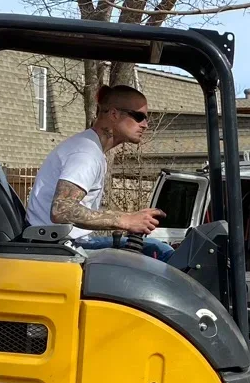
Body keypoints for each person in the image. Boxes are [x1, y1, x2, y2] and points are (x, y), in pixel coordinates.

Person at [26, 84, 174, 260]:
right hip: (57, 248)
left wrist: (127, 218)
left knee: (155, 248)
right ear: (114, 114)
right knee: (161, 253)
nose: (145, 125)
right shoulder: (86, 154)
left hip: (64, 243)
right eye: (138, 116)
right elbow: (61, 210)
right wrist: (125, 220)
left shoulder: (92, 150)